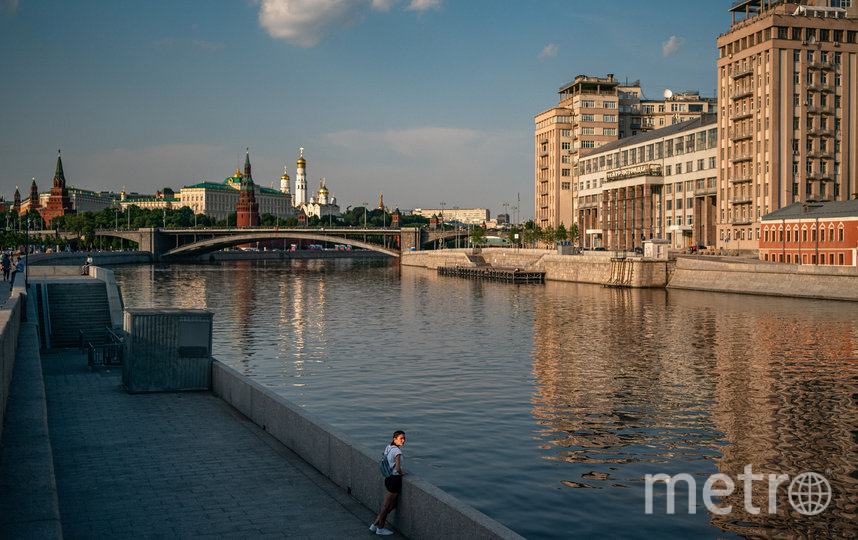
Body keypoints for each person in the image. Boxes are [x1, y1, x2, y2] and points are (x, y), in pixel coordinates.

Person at [370, 431, 406, 536]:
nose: (403, 440)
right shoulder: (397, 452)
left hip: (388, 478)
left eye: (404, 438)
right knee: (386, 506)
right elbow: (398, 468)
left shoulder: (388, 447)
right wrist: (401, 473)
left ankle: (375, 524)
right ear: (395, 439)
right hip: (395, 480)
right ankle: (380, 528)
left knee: (393, 504)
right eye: (401, 438)